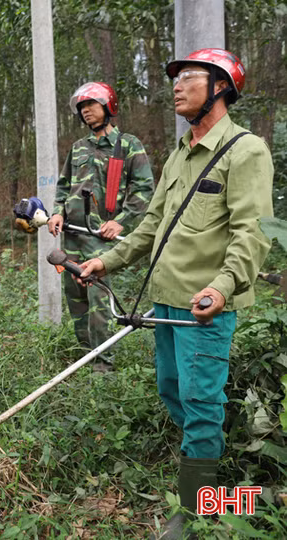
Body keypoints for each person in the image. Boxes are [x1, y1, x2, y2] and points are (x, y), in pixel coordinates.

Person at [78, 49, 273, 538]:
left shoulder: (246, 151)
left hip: (203, 305)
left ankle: (197, 507)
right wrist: (107, 260)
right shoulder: (180, 154)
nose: (177, 85)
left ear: (222, 87)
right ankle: (209, 463)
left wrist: (222, 286)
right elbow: (149, 227)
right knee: (172, 389)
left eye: (190, 77)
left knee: (200, 398)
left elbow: (253, 233)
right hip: (164, 299)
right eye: (176, 78)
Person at [47, 82, 154, 373]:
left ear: (108, 107)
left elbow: (144, 189)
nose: (86, 112)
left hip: (101, 239)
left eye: (91, 105)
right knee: (76, 300)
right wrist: (56, 213)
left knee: (98, 302)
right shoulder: (78, 148)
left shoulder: (128, 145)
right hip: (71, 236)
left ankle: (104, 366)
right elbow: (64, 186)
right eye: (82, 108)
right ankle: (85, 357)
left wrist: (121, 220)